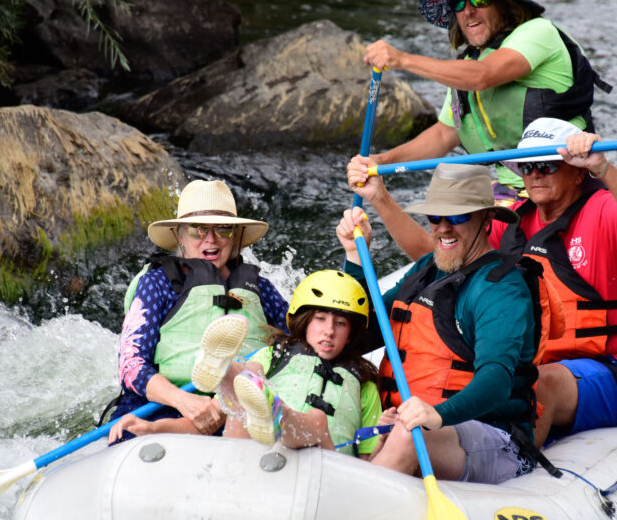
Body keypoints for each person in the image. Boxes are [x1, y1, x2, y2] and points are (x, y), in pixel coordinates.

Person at [348, 119, 617, 449]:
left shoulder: (604, 210)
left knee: (540, 385)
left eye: (546, 165)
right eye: (527, 166)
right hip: (538, 363)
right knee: (493, 379)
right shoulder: (515, 221)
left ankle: (518, 468)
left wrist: (602, 167)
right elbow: (443, 256)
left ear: (577, 171)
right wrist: (380, 199)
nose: (535, 174)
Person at [339, 165, 541, 484]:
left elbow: (497, 379)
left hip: (494, 439)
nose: (444, 228)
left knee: (409, 435)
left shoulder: (502, 288)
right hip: (407, 421)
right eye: (436, 217)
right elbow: (357, 337)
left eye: (457, 217)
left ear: (487, 220)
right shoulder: (425, 269)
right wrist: (354, 257)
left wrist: (437, 415)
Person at [357, 0, 609, 198]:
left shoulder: (538, 32)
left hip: (566, 187)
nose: (468, 11)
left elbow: (483, 76)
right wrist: (380, 162)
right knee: (447, 226)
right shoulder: (465, 66)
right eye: (459, 3)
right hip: (511, 191)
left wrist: (403, 60)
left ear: (505, 5)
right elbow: (444, 135)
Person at [114, 270, 388, 456]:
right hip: (256, 457)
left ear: (351, 333)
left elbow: (368, 460)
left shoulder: (363, 381)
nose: (329, 331)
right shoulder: (277, 354)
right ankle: (225, 371)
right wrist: (152, 427)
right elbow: (208, 421)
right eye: (320, 319)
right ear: (303, 321)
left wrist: (385, 436)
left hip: (324, 464)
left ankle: (269, 407)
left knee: (316, 420)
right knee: (243, 395)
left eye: (340, 323)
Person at [105, 179, 288, 438]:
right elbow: (130, 365)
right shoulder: (157, 283)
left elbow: (304, 339)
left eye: (223, 229)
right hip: (162, 408)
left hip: (237, 409)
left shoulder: (260, 288)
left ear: (235, 236)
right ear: (179, 235)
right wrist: (184, 401)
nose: (210, 239)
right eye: (197, 229)